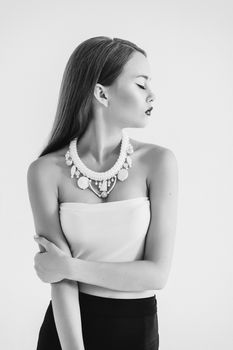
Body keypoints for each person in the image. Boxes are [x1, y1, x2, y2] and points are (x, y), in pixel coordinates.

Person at [27, 36, 178, 350]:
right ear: (101, 93)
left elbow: (156, 275)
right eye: (141, 84)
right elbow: (61, 282)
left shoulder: (159, 163)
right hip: (67, 331)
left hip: (137, 329)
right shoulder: (44, 172)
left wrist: (69, 266)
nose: (153, 94)